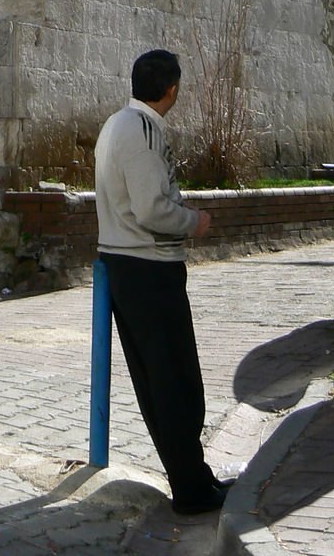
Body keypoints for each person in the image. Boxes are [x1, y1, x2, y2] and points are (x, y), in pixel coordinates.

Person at [94, 49, 228, 516]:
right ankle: (191, 488)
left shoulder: (115, 124)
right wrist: (194, 221)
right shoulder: (142, 130)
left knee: (160, 381)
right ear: (172, 90)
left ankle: (192, 476)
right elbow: (151, 208)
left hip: (127, 265)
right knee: (176, 382)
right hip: (149, 267)